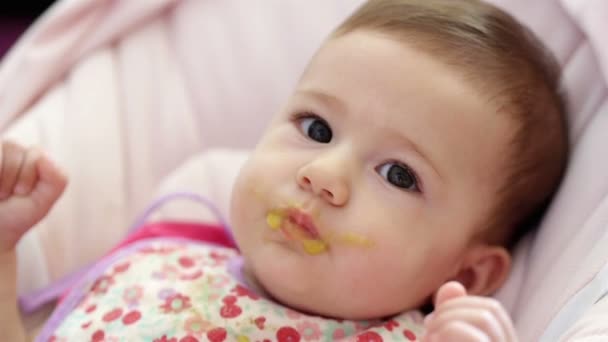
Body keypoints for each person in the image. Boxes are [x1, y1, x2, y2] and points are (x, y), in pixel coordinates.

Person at [0, 0, 567, 340]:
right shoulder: (165, 255)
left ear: (466, 277)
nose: (323, 174)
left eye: (398, 175)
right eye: (316, 129)